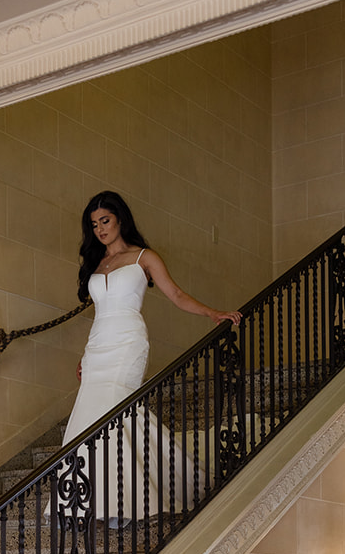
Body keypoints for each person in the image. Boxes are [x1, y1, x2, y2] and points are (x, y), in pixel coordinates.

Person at [61, 190, 242, 521]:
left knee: (116, 410)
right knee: (90, 417)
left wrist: (212, 313)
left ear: (120, 220)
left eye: (106, 221)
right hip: (98, 347)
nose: (100, 229)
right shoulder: (96, 263)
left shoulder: (145, 257)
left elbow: (175, 294)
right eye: (94, 224)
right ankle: (91, 500)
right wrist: (84, 357)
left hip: (128, 341)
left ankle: (130, 499)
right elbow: (100, 313)